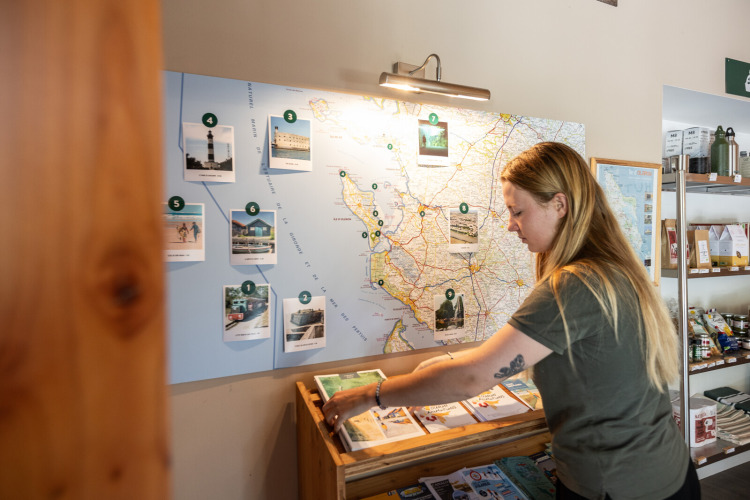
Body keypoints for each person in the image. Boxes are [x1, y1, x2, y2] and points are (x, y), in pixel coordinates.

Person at [322, 142, 698, 499]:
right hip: (668, 473)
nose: (510, 225)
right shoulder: (612, 267)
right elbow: (580, 357)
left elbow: (472, 379)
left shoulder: (574, 283)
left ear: (559, 205)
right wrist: (457, 363)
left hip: (617, 488)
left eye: (518, 212)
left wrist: (369, 395)